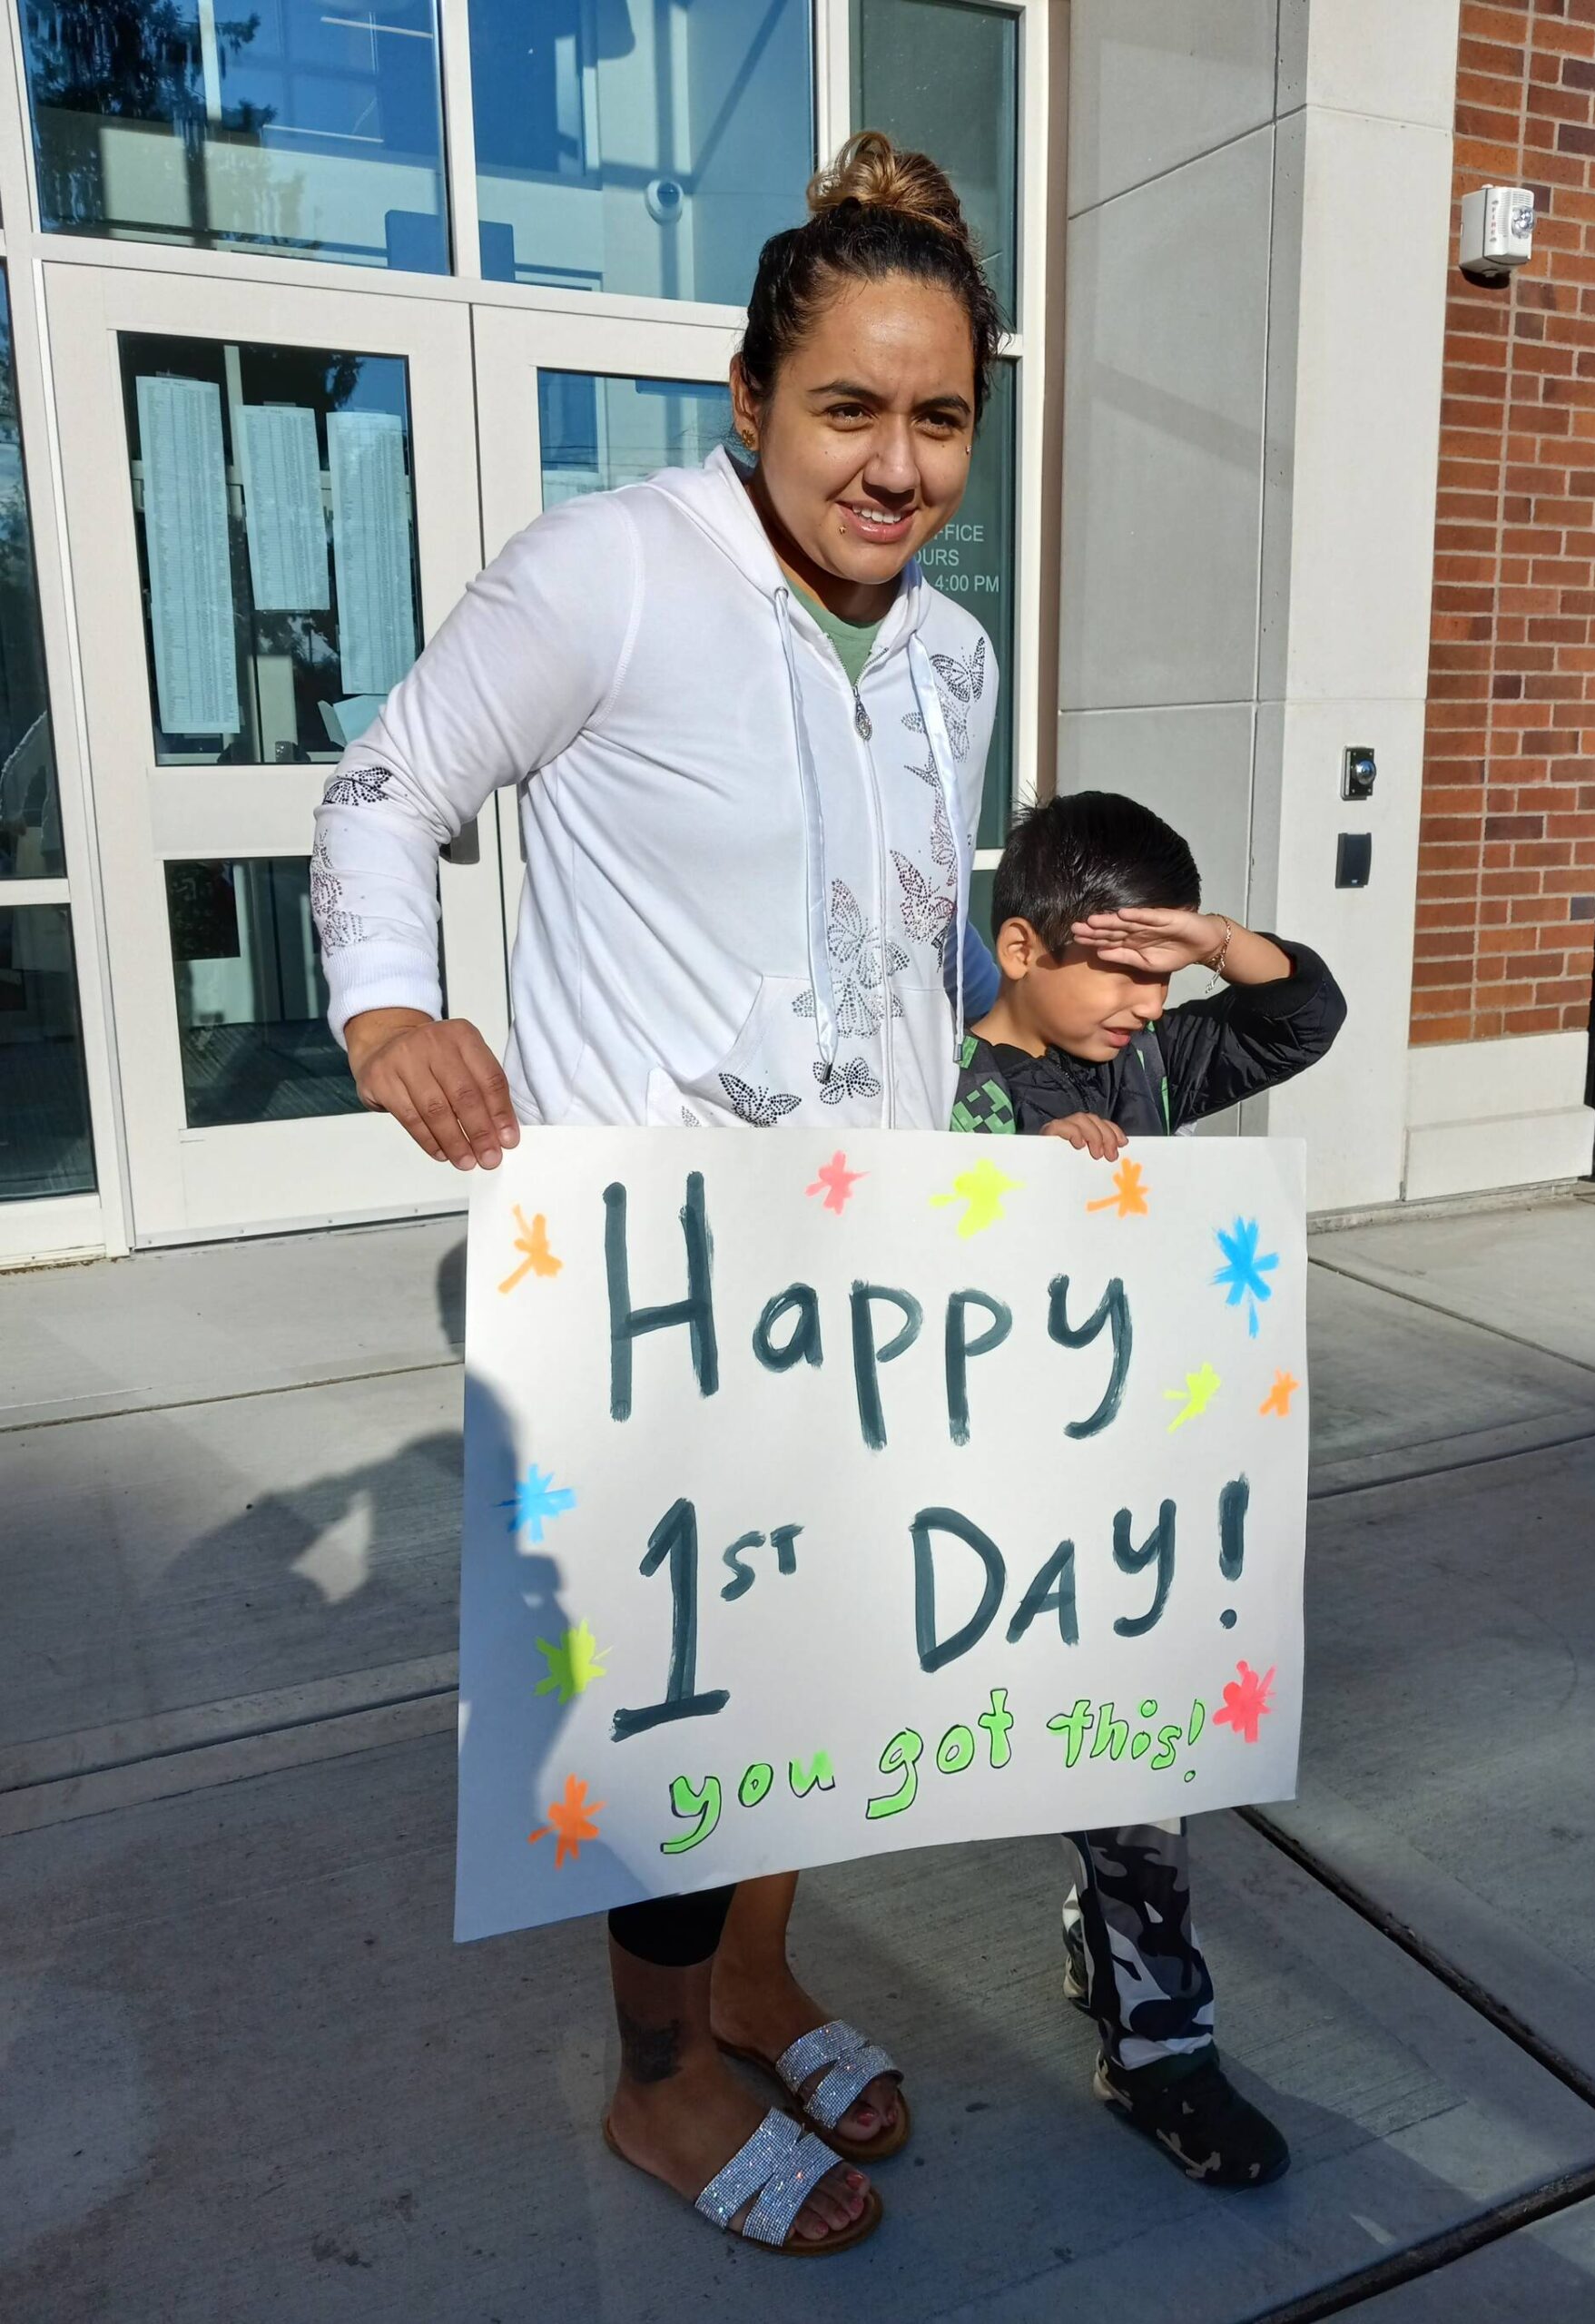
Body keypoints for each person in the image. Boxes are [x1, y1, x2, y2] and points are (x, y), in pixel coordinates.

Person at [311, 133, 1003, 2253]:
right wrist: (384, 1016)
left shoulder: (954, 656)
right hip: (649, 1281)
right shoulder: (610, 571)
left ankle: (767, 1980)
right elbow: (383, 791)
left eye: (940, 419)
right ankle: (660, 2080)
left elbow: (921, 949)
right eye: (852, 411)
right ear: (750, 397)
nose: (895, 467)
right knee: (681, 1698)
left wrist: (1003, 1114)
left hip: (872, 1267)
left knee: (824, 1680)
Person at [951, 789, 1346, 2188]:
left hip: (1129, 1506)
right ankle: (1121, 1965)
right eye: (1114, 968)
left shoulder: (1160, 1070)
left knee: (1139, 1780)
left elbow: (1304, 1019)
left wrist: (1215, 939)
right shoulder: (949, 1090)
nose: (1141, 999)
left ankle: (1160, 2048)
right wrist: (1002, 1178)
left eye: (1160, 975)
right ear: (1017, 949)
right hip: (989, 1512)